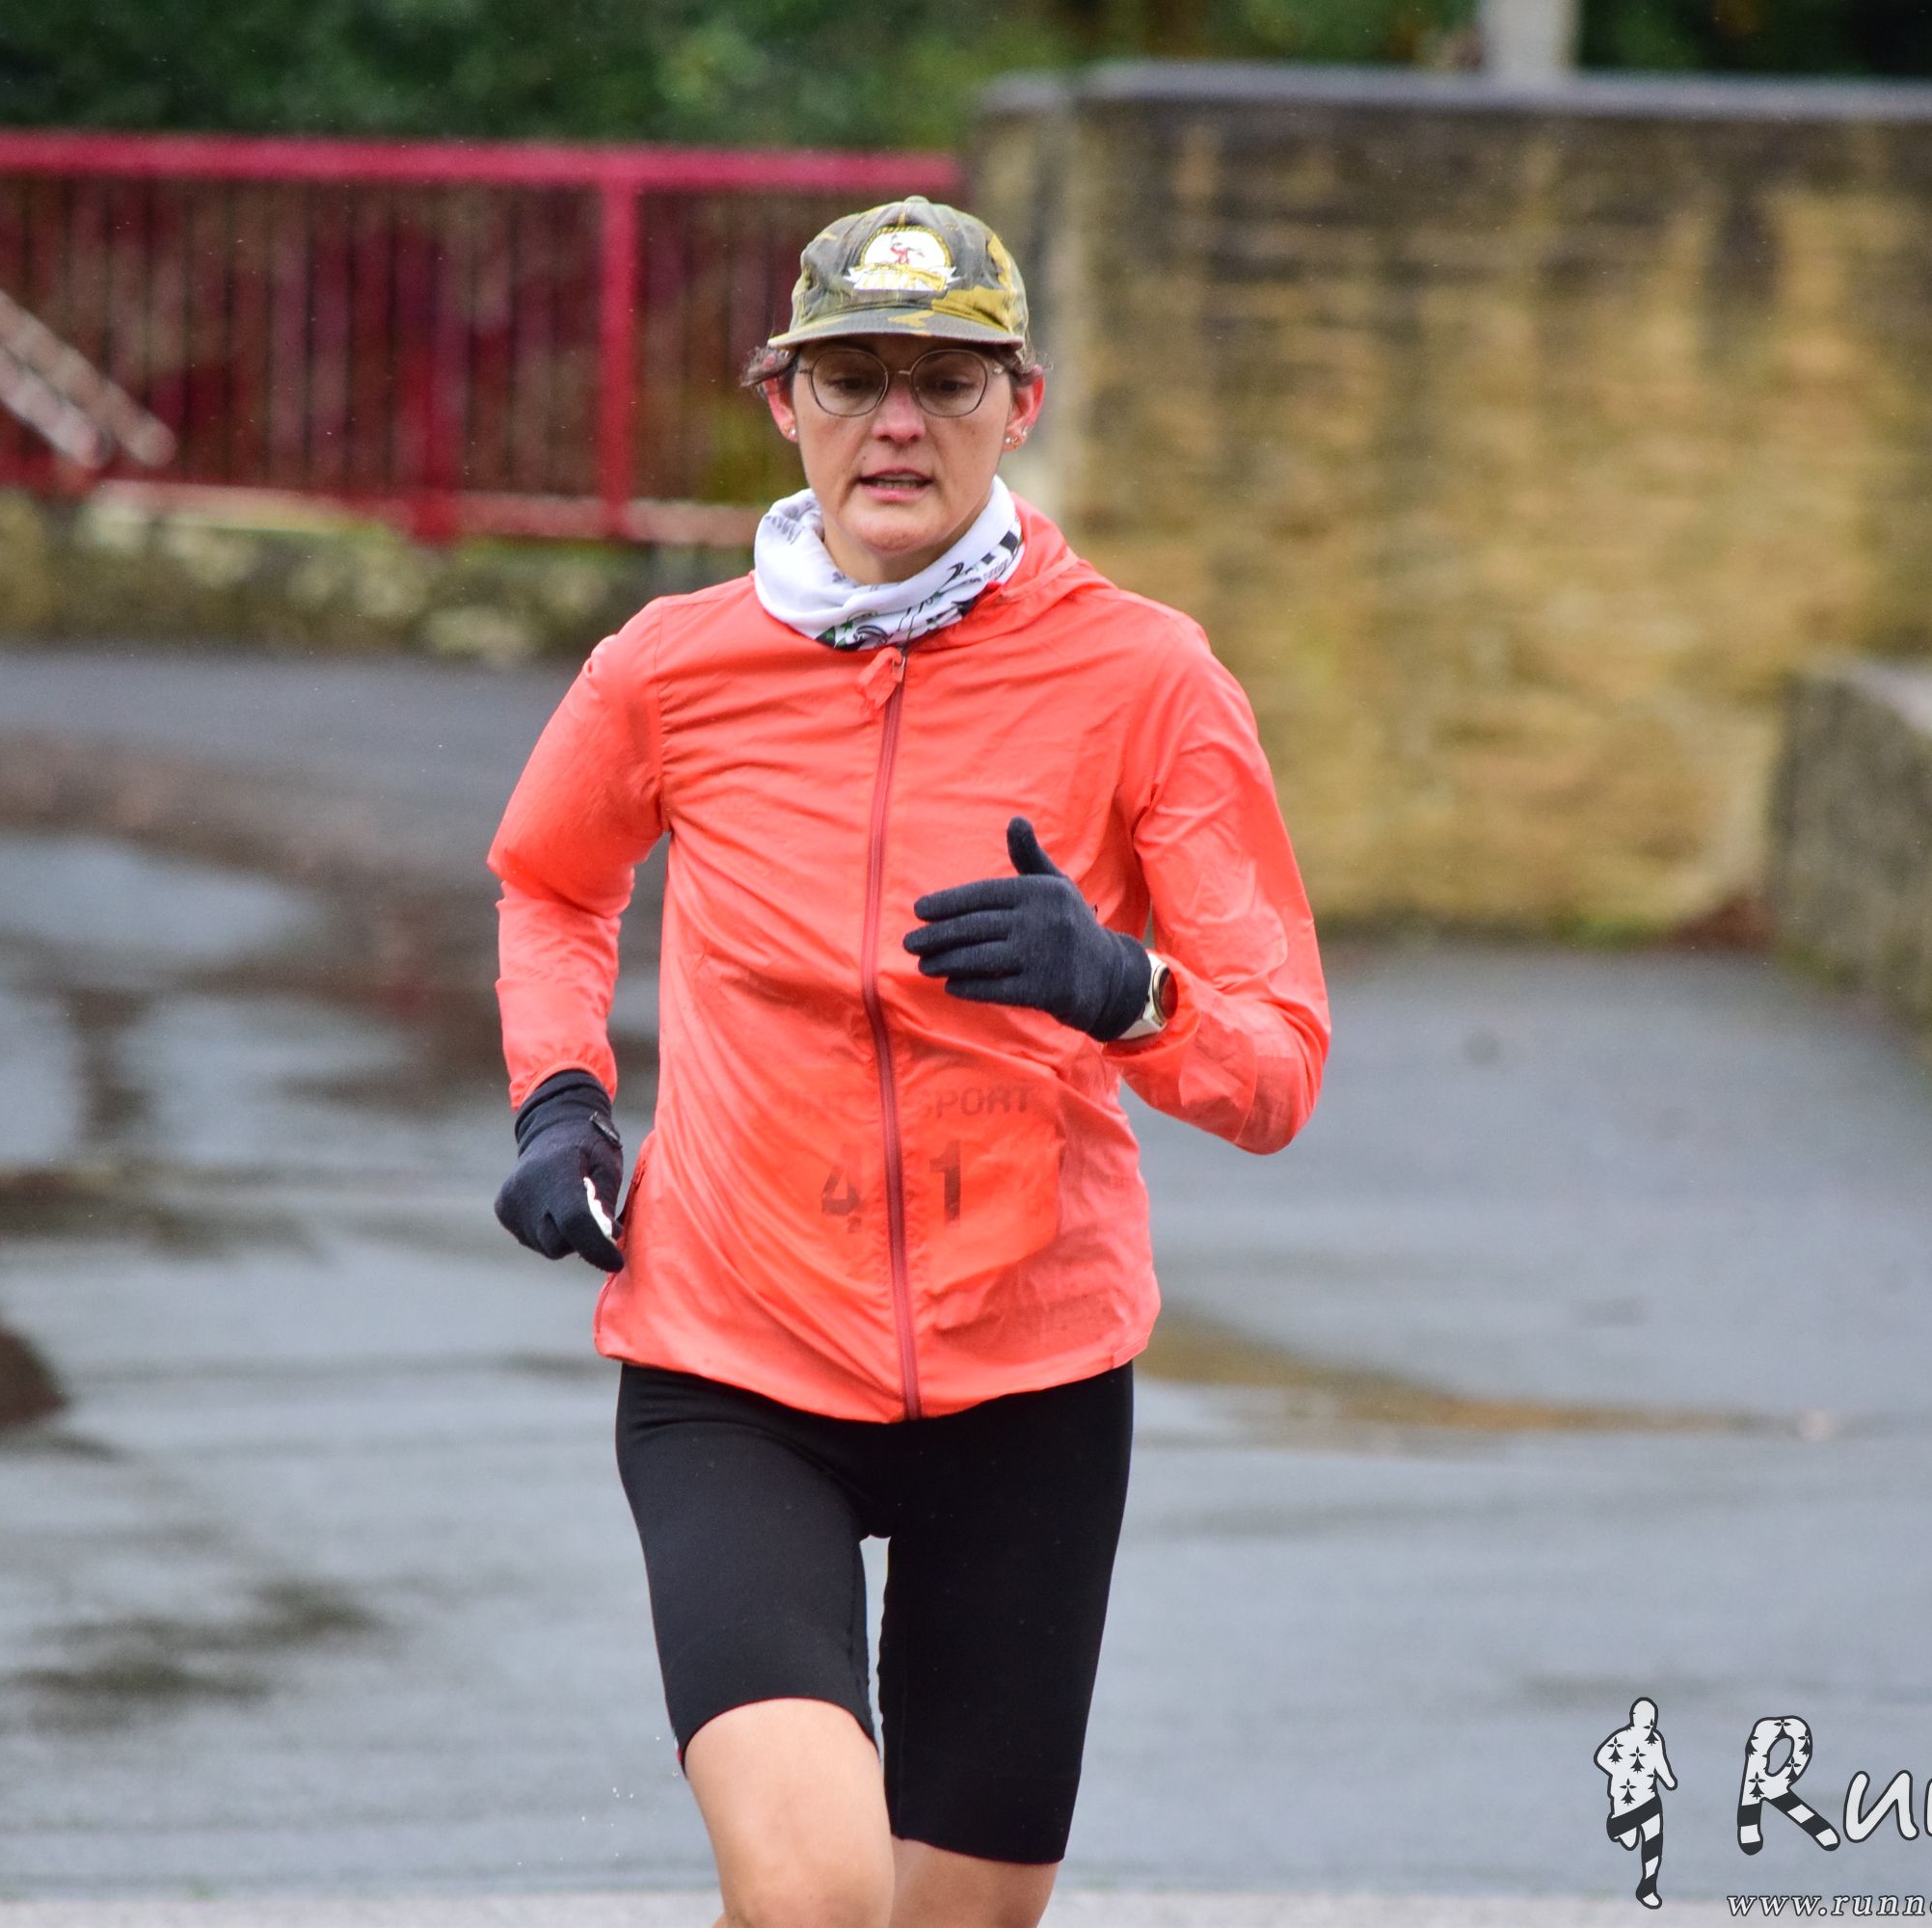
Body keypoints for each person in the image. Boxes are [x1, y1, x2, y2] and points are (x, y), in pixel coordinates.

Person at [487, 197, 1331, 1928]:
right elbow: (553, 883)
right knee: (813, 1895)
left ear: (1020, 406)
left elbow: (1276, 1066)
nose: (896, 424)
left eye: (945, 382)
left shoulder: (1146, 679)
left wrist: (1126, 990)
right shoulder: (672, 671)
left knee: (952, 1920)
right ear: (780, 401)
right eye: (852, 377)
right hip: (736, 1357)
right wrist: (562, 1098)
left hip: (1031, 1373)